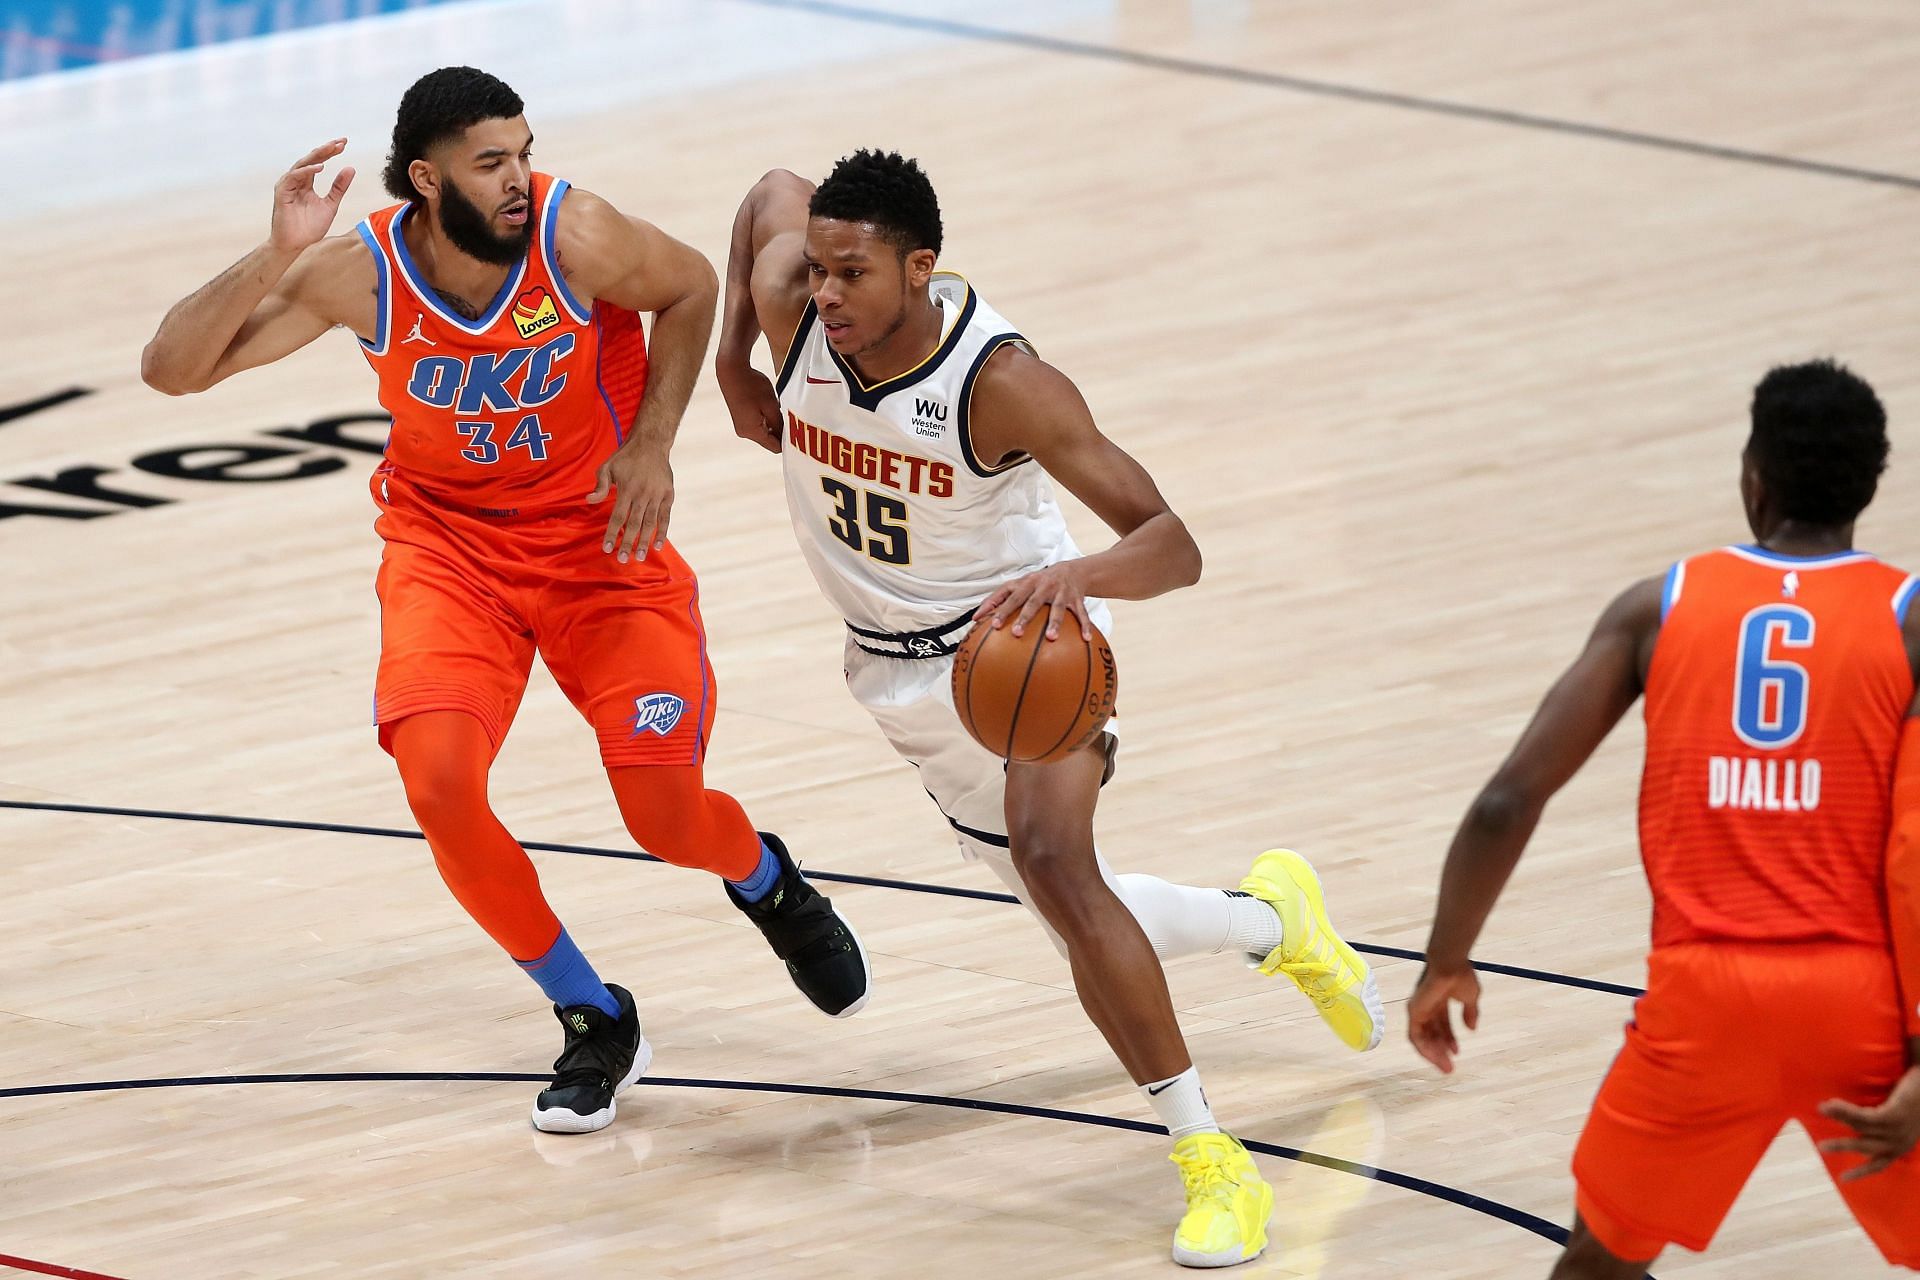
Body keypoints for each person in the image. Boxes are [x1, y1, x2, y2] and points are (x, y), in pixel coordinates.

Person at [139, 66, 870, 1136]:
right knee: (438, 782)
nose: (521, 175)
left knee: (662, 811)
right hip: (451, 555)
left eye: (525, 150)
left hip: (596, 543)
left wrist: (653, 442)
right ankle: (592, 1011)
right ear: (429, 180)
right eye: (494, 161)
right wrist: (280, 249)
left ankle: (766, 880)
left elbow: (686, 291)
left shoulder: (578, 235)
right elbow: (172, 371)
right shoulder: (363, 272)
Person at [714, 150, 1383, 1269]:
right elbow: (768, 190)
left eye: (853, 273)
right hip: (894, 671)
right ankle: (1277, 919)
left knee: (1059, 870)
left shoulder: (1001, 381)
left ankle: (1212, 1156)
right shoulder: (800, 302)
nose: (824, 293)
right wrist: (741, 361)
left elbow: (1174, 544)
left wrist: (1075, 580)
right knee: (1075, 911)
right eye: (816, 271)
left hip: (1026, 645)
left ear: (921, 268)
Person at [1409, 360, 1920, 1276]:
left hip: (1703, 1002)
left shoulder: (1658, 607)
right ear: (1871, 487)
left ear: (1752, 478)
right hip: (1865, 1008)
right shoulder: (1909, 620)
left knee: (1599, 1263)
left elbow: (1505, 801)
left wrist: (1445, 960)